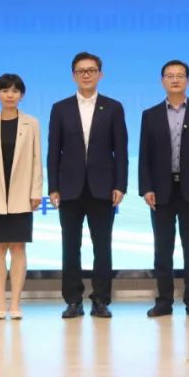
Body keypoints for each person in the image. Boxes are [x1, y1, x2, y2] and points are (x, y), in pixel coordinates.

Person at [48, 52, 128, 319]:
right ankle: (73, 300)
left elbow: (121, 150)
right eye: (81, 71)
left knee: (102, 247)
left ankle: (101, 300)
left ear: (100, 74)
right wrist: (53, 186)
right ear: (73, 75)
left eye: (91, 70)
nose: (86, 75)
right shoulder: (60, 108)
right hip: (69, 188)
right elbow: (53, 150)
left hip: (103, 187)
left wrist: (120, 185)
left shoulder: (113, 107)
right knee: (70, 247)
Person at [139, 60, 189, 318]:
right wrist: (146, 188)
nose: (175, 80)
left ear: (188, 81)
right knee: (163, 250)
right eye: (170, 76)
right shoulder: (150, 115)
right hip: (161, 191)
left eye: (180, 76)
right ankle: (163, 301)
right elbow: (144, 155)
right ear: (162, 81)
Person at [0, 74, 43, 320]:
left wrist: (36, 191)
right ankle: (1, 303)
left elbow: (37, 159)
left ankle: (15, 304)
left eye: (14, 91)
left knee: (18, 247)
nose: (10, 95)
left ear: (21, 95)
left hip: (21, 193)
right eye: (4, 90)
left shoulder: (32, 123)